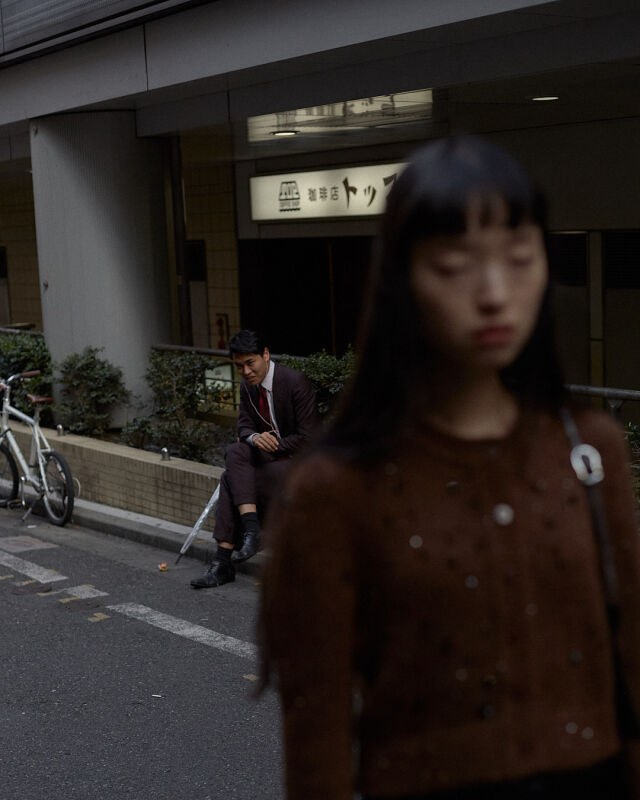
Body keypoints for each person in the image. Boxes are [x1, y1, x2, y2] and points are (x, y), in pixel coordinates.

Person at [260, 136, 640, 798]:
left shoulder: (591, 449)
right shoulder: (334, 489)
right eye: (455, 266)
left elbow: (633, 654)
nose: (495, 293)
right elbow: (317, 732)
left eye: (520, 259)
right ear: (401, 282)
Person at [191, 330, 319, 589]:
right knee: (235, 451)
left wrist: (273, 445)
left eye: (251, 363)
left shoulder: (295, 382)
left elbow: (309, 439)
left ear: (266, 355)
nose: (246, 371)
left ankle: (223, 561)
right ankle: (251, 530)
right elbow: (244, 427)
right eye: (239, 366)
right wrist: (254, 438)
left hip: (297, 465)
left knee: (230, 480)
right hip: (268, 462)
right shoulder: (247, 387)